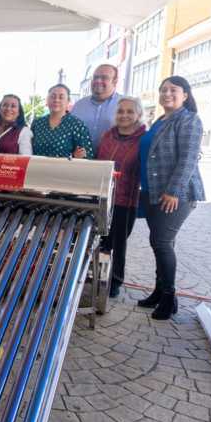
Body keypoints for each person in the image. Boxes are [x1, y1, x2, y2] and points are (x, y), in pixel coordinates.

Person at [137, 76, 205, 320]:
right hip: (152, 191)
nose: (167, 94)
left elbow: (188, 159)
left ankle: (169, 297)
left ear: (185, 95)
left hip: (176, 195)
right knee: (160, 241)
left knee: (162, 242)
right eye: (163, 90)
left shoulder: (189, 120)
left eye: (173, 90)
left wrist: (173, 190)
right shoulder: (160, 120)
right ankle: (159, 291)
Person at [96, 97, 146, 298]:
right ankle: (97, 276)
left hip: (126, 200)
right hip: (102, 197)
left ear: (138, 115)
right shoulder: (107, 136)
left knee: (119, 243)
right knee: (100, 240)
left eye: (130, 111)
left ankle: (115, 280)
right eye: (120, 111)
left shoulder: (143, 139)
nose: (124, 115)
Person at [31, 84, 93, 159]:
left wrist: (73, 157)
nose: (56, 100)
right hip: (37, 166)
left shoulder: (77, 125)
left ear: (68, 101)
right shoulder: (37, 123)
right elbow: (28, 150)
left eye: (61, 97)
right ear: (47, 100)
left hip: (66, 166)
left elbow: (86, 155)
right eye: (53, 96)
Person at [71, 64, 122, 151]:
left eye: (104, 77)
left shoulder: (125, 104)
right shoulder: (79, 105)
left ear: (115, 81)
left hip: (112, 158)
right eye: (95, 77)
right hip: (79, 158)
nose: (98, 81)